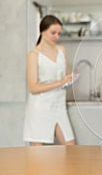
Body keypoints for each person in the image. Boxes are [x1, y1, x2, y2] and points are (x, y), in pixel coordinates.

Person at [23, 15, 75, 146]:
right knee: (38, 158)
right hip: (40, 108)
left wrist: (70, 79)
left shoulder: (61, 50)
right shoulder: (34, 55)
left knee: (72, 150)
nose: (57, 37)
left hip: (59, 106)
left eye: (59, 33)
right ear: (42, 31)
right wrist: (61, 82)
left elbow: (65, 75)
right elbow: (33, 88)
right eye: (53, 33)